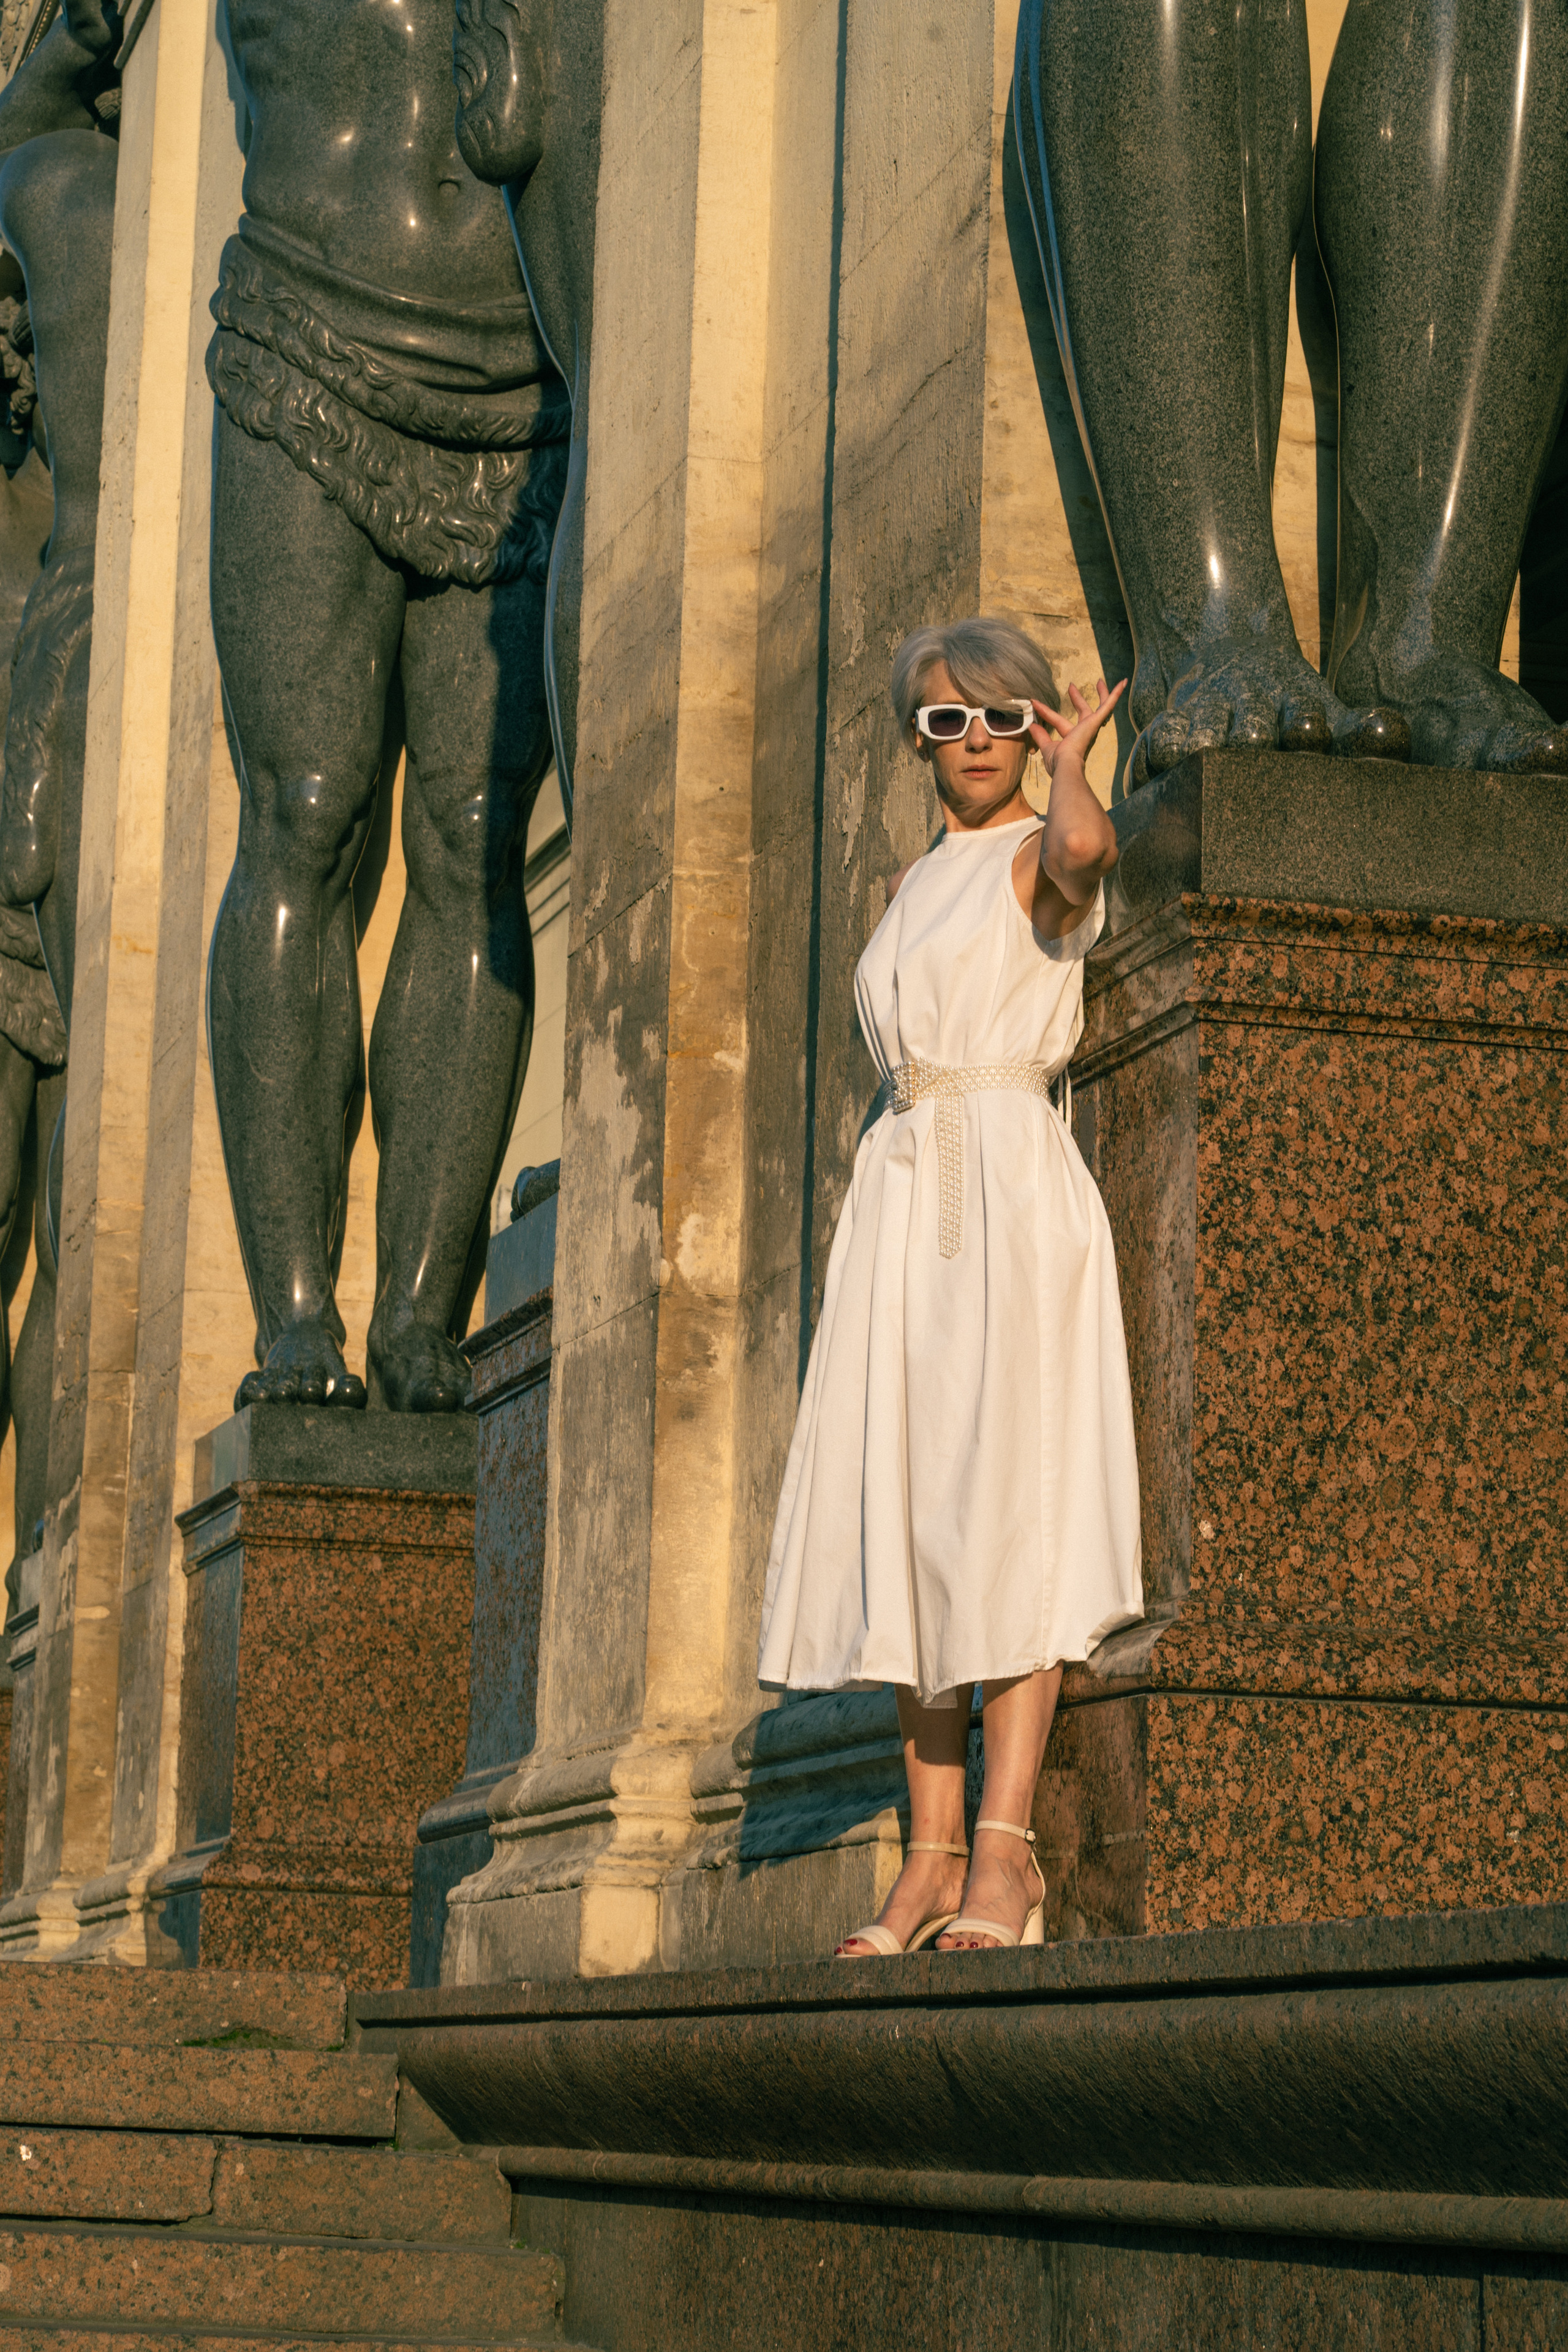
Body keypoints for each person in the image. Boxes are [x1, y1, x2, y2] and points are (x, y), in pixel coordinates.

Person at [758, 616, 1144, 1954]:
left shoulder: (1041, 850)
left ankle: (1003, 1854)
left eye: (997, 719)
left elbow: (1086, 855)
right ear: (917, 737)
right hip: (905, 1191)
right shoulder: (914, 877)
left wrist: (1076, 762)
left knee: (1003, 1507)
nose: (970, 741)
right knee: (908, 1520)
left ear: (1028, 727)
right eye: (943, 720)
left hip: (1006, 1194)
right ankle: (922, 1864)